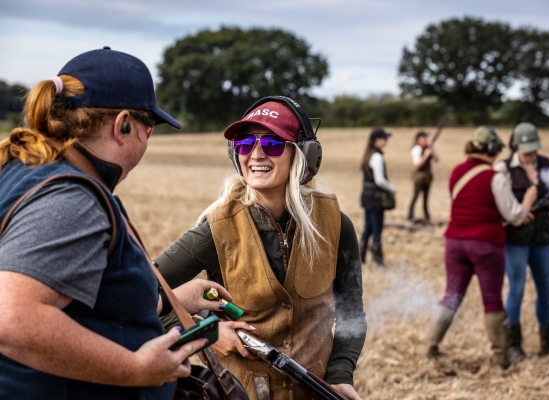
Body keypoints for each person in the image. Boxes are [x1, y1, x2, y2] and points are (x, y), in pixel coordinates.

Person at [0, 47, 231, 399]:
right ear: (123, 124)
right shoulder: (71, 199)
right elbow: (13, 319)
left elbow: (85, 301)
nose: (147, 141)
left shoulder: (24, 173)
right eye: (148, 128)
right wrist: (136, 369)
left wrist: (170, 300)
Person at [155, 97, 367, 400]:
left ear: (303, 154)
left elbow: (352, 315)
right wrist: (206, 333)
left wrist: (341, 375)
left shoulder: (335, 225)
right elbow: (139, 295)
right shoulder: (215, 230)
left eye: (272, 142)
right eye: (243, 143)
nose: (255, 154)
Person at [423, 126, 537, 368]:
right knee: (492, 300)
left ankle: (430, 347)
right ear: (493, 149)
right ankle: (500, 358)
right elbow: (514, 214)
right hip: (486, 245)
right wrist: (527, 204)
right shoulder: (494, 176)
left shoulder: (456, 171)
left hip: (454, 243)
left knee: (451, 296)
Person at [495, 122, 549, 363]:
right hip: (516, 238)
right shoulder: (503, 168)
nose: (531, 153)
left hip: (542, 237)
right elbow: (501, 203)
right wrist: (520, 210)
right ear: (515, 144)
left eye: (534, 148)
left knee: (546, 289)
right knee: (516, 288)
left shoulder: (548, 164)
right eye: (526, 148)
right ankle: (513, 346)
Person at [359, 127, 396, 265]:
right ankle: (378, 260)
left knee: (368, 228)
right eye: (384, 138)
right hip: (376, 198)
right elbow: (380, 180)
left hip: (367, 196)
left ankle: (360, 257)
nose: (386, 140)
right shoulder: (377, 156)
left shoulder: (369, 154)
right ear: (376, 140)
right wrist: (392, 189)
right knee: (377, 229)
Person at [408, 131, 438, 222]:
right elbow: (418, 164)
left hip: (427, 177)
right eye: (424, 138)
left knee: (426, 198)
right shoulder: (416, 149)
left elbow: (437, 160)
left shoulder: (428, 148)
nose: (426, 140)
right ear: (419, 139)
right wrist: (426, 155)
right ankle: (410, 214)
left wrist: (432, 149)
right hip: (419, 177)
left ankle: (426, 216)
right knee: (415, 196)